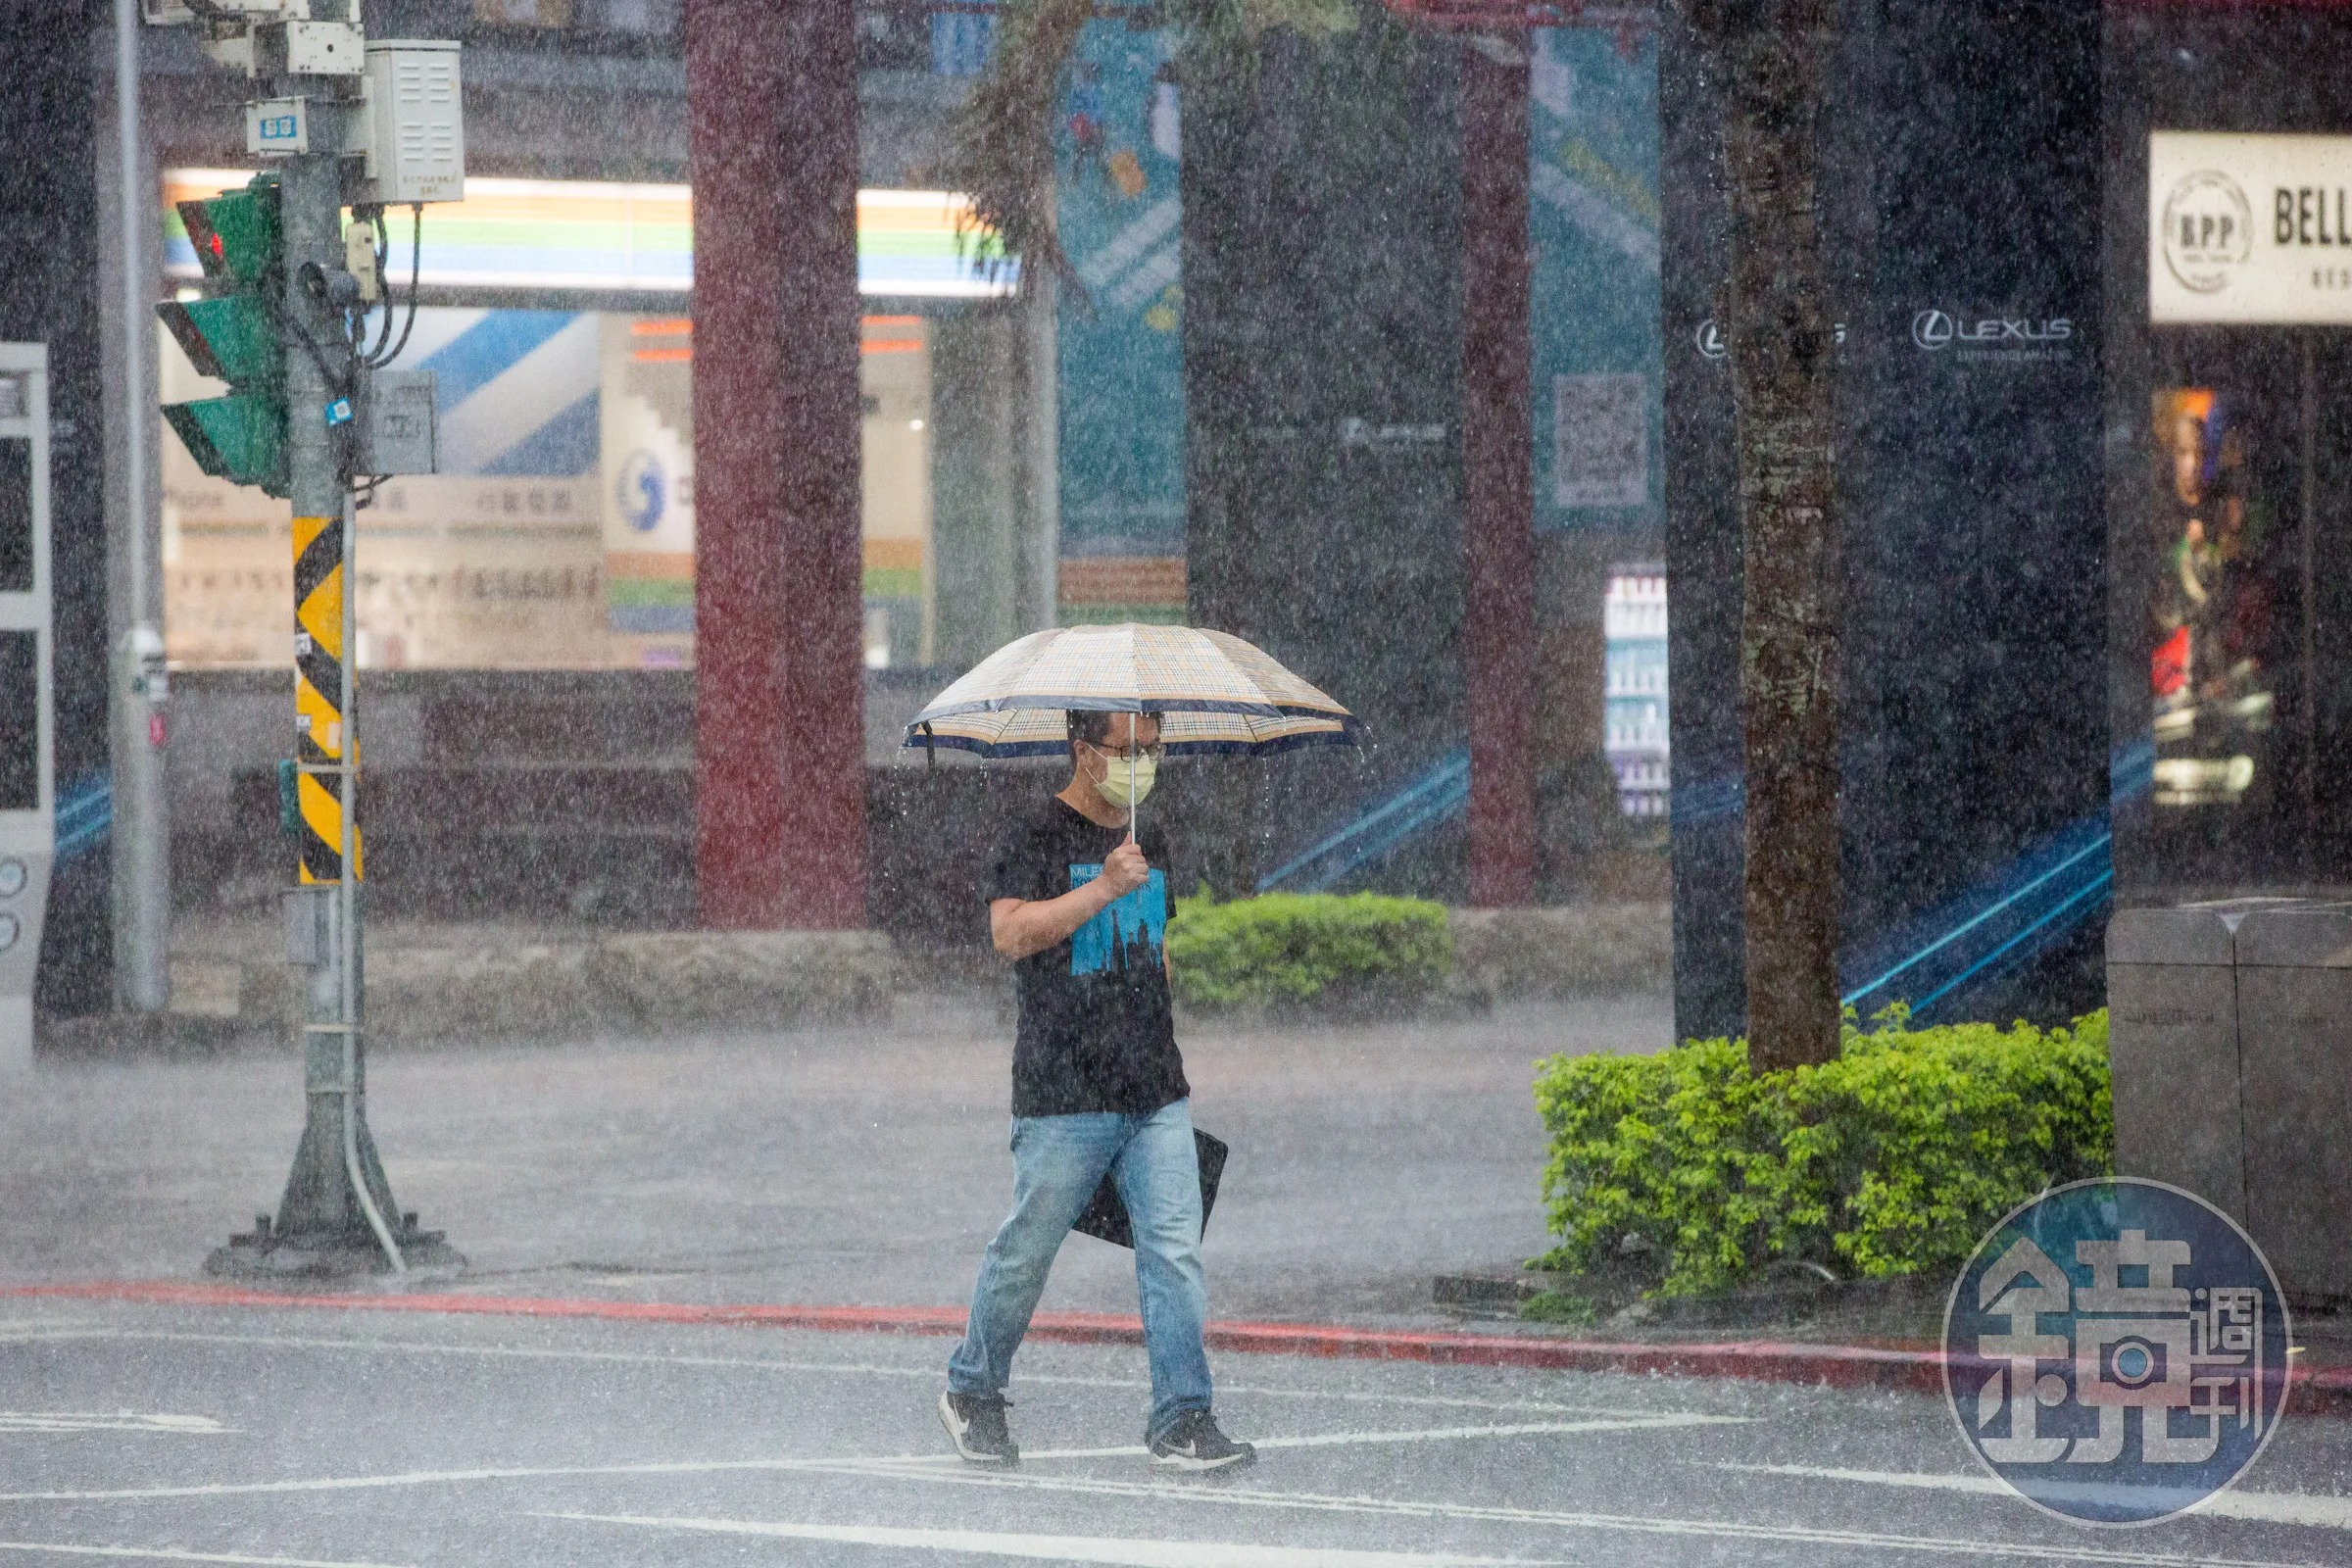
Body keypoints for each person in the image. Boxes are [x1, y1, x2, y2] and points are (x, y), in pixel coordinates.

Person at [939, 709, 1254, 1473]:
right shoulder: (1033, 836)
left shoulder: (1154, 838)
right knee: (1027, 1249)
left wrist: (1157, 1029)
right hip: (1063, 1090)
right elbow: (1010, 935)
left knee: (1173, 1253)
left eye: (1154, 749)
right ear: (1083, 752)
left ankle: (1182, 1415)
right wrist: (1104, 887)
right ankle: (973, 1388)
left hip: (1153, 1089)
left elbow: (1159, 948)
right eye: (1127, 750)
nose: (1142, 763)